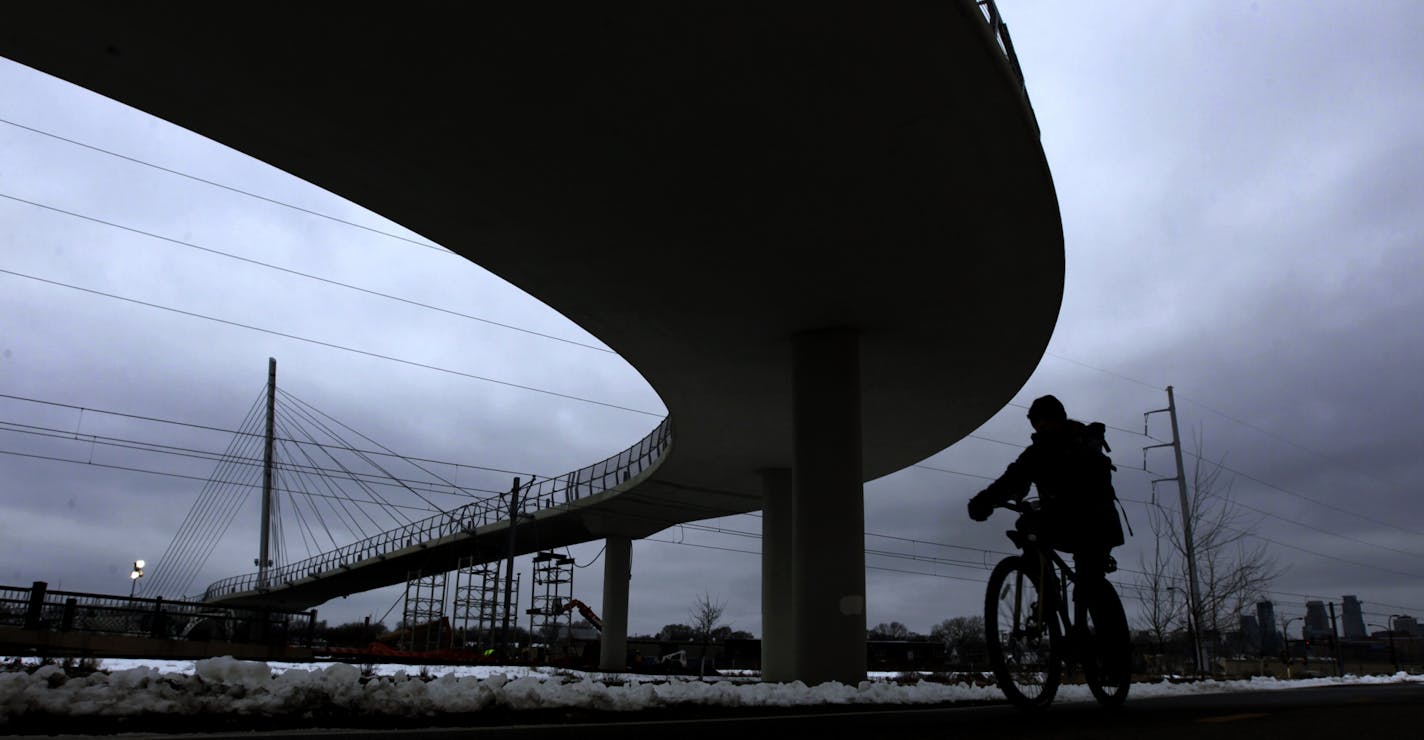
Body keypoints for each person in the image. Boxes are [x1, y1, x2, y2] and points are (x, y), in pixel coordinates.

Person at [966, 394, 1125, 591]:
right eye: (1036, 422)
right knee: (1090, 582)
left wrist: (984, 501)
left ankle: (1046, 587)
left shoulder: (1043, 450)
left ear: (1059, 418)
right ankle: (1078, 602)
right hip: (1104, 524)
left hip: (1077, 522)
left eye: (1045, 419)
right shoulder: (1087, 442)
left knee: (1027, 525)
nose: (1040, 426)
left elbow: (1014, 477)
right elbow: (1018, 478)